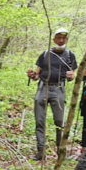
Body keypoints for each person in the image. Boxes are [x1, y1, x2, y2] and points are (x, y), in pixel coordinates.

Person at [27, 28, 77, 161]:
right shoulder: (45, 54)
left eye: (63, 38)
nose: (61, 41)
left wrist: (71, 76)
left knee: (59, 122)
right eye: (58, 38)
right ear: (53, 39)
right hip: (43, 87)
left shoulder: (70, 55)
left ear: (66, 39)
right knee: (40, 121)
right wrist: (33, 75)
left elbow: (72, 76)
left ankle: (60, 151)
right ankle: (40, 151)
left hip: (59, 88)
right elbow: (37, 74)